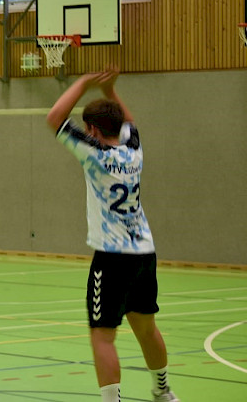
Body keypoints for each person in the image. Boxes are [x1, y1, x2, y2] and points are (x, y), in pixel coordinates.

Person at [46, 68, 180, 402]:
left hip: (111, 257)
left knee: (103, 337)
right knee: (147, 329)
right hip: (144, 253)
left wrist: (82, 83)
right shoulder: (134, 152)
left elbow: (55, 117)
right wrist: (112, 91)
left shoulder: (94, 154)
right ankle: (163, 391)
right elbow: (130, 123)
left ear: (91, 129)